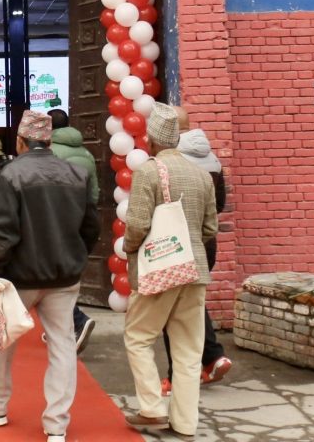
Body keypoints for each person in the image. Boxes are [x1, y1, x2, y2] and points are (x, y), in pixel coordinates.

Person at [0, 111, 99, 440]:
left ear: (21, 141)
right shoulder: (77, 174)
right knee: (62, 346)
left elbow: (3, 232)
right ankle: (57, 425)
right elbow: (90, 227)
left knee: (0, 338)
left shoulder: (13, 174)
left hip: (20, 277)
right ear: (49, 140)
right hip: (64, 276)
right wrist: (76, 256)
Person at [123, 103, 219, 439]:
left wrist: (131, 248)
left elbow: (137, 225)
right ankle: (185, 423)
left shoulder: (148, 172)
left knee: (138, 337)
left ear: (151, 140)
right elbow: (210, 228)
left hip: (159, 270)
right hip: (195, 270)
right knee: (189, 351)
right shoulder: (201, 175)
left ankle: (152, 408)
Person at [161, 106, 232, 394]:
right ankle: (213, 356)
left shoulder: (170, 161)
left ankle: (177, 376)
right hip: (206, 242)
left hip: (177, 242)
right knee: (191, 302)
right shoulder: (212, 160)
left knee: (170, 309)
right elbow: (220, 203)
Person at [48, 108, 100, 353]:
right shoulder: (86, 153)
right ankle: (62, 326)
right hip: (83, 217)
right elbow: (94, 191)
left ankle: (76, 319)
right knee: (67, 271)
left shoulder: (50, 153)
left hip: (60, 219)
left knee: (51, 275)